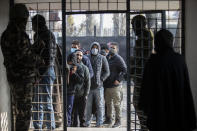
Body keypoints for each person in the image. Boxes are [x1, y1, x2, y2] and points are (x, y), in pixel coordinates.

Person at [139, 29, 197, 131]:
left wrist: (145, 106)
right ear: (171, 41)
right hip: (178, 111)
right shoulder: (179, 60)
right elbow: (186, 87)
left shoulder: (152, 62)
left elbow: (146, 88)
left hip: (158, 112)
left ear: (157, 42)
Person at [0, 4, 41, 131]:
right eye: (24, 19)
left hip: (15, 77)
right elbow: (26, 58)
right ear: (20, 19)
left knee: (20, 112)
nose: (26, 22)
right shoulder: (18, 34)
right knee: (24, 114)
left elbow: (19, 54)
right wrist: (39, 59)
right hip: (23, 80)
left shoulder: (7, 33)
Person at [31, 14, 57, 130]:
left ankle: (48, 127)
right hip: (42, 71)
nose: (32, 26)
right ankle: (39, 127)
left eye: (33, 24)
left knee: (44, 102)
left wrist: (39, 74)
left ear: (37, 24)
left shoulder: (46, 35)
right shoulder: (40, 34)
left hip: (45, 71)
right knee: (39, 102)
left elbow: (48, 57)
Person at [131, 15, 154, 130]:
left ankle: (145, 126)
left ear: (140, 24)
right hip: (141, 75)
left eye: (134, 25)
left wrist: (132, 66)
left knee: (138, 102)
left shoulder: (144, 37)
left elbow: (139, 58)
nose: (133, 28)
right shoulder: (145, 36)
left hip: (143, 76)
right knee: (138, 102)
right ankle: (144, 125)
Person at [85, 42, 110, 127]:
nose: (94, 49)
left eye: (96, 48)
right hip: (89, 87)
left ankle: (99, 122)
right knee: (88, 106)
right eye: (93, 47)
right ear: (91, 48)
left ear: (98, 49)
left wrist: (101, 79)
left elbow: (107, 72)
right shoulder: (86, 58)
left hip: (99, 87)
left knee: (100, 105)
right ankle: (87, 122)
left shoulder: (102, 58)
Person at [104, 42, 127, 128]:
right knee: (108, 103)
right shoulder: (106, 57)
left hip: (115, 86)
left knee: (116, 104)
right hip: (107, 86)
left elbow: (125, 70)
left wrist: (118, 79)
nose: (112, 49)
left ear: (116, 49)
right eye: (110, 47)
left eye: (113, 48)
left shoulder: (118, 58)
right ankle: (109, 119)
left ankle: (118, 121)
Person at [72, 49, 90, 127]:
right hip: (72, 94)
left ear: (82, 57)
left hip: (81, 95)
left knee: (82, 114)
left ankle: (83, 126)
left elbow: (88, 82)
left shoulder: (85, 68)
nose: (78, 56)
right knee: (73, 115)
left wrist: (86, 94)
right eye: (77, 55)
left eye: (80, 55)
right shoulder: (70, 66)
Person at [66, 53, 84, 126]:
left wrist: (74, 74)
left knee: (70, 110)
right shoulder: (65, 67)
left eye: (71, 63)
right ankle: (67, 123)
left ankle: (68, 124)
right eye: (69, 63)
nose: (70, 65)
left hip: (71, 92)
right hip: (64, 91)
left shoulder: (79, 68)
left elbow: (81, 80)